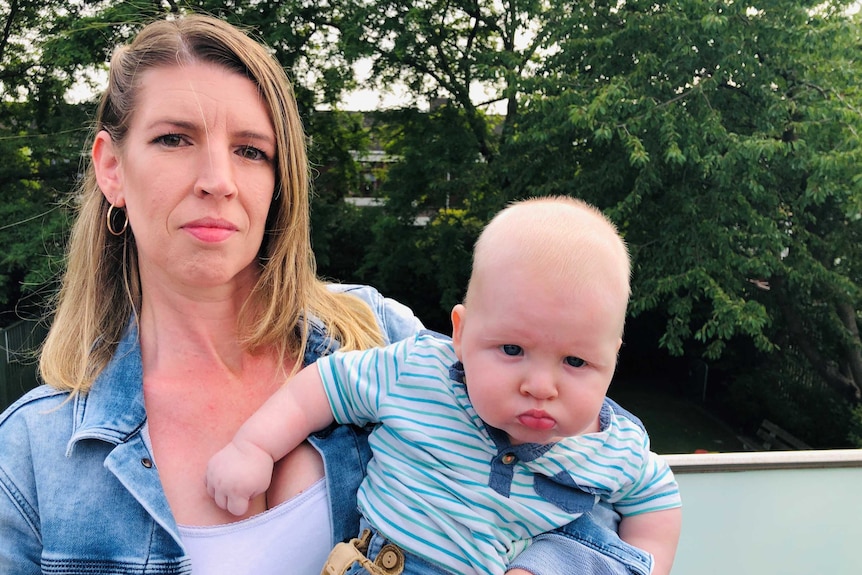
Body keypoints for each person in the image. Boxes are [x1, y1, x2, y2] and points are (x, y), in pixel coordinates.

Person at [0, 14, 655, 575]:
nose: (219, 180)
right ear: (111, 167)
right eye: (175, 139)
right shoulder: (33, 451)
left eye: (252, 150)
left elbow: (584, 457)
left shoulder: (376, 335)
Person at [206, 196, 683, 575]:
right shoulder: (419, 372)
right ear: (460, 333)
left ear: (612, 360)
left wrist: (647, 565)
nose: (540, 386)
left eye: (575, 361)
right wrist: (254, 447)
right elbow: (324, 387)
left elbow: (657, 505)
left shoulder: (613, 448)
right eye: (512, 350)